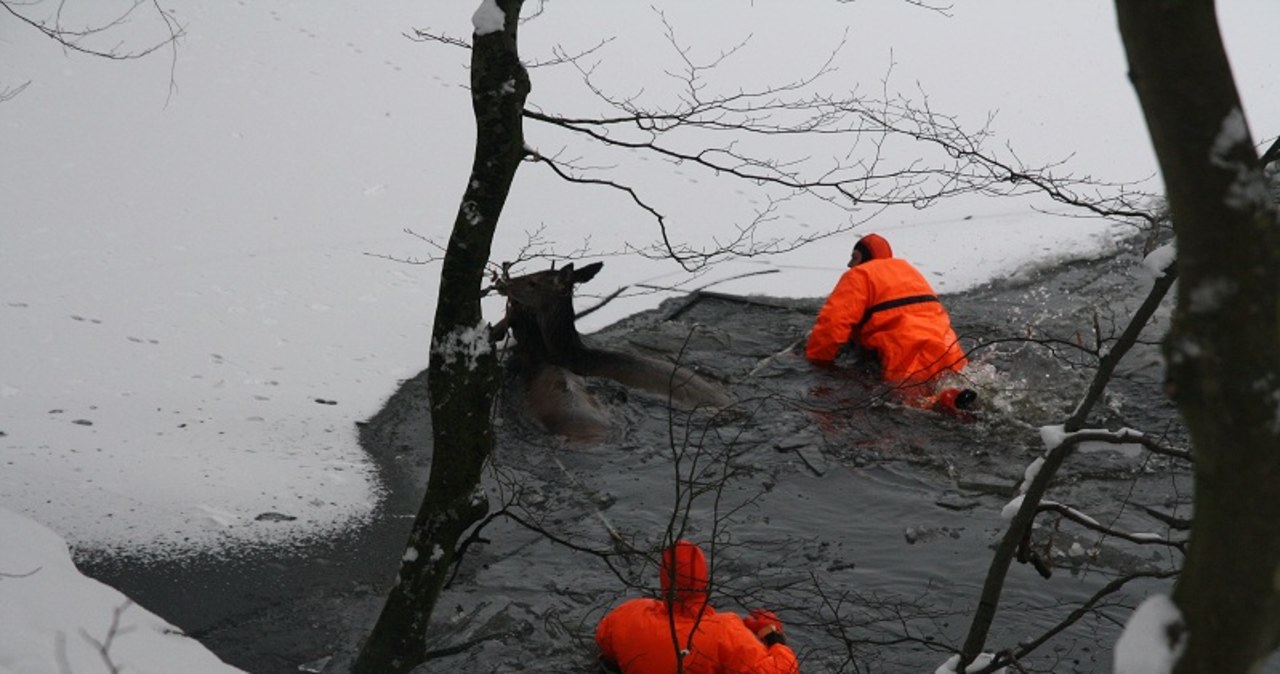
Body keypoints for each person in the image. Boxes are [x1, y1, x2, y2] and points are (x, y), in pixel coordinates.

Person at [805, 233, 972, 410]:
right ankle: (952, 400)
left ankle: (944, 401)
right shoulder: (909, 271)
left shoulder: (859, 275)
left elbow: (832, 324)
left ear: (868, 258)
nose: (849, 264)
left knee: (914, 406)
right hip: (949, 350)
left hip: (907, 354)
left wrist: (816, 363)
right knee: (952, 393)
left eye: (854, 257)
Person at [595, 540, 799, 674]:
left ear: (664, 580)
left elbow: (605, 647)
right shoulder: (724, 630)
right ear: (704, 582)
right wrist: (773, 635)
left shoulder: (627, 614)